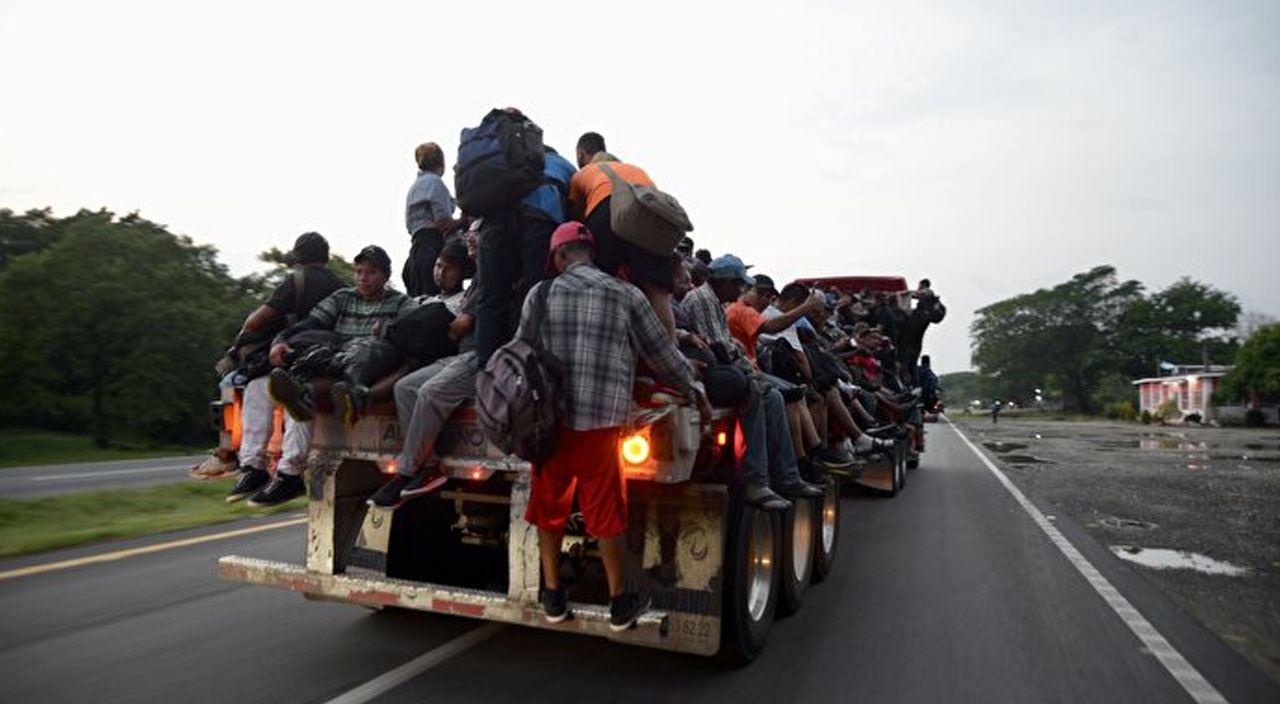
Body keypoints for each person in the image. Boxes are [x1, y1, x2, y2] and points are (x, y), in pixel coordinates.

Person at [521, 221, 711, 631]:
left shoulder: (540, 293)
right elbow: (663, 354)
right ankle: (619, 603)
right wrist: (694, 387)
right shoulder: (626, 295)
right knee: (604, 510)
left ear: (558, 257)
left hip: (549, 423)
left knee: (549, 506)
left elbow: (523, 351)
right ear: (591, 254)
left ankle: (553, 594)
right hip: (602, 423)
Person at [227, 245, 410, 507]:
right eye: (358, 272)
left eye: (370, 272)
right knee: (259, 385)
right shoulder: (342, 297)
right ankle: (252, 467)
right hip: (334, 356)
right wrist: (280, 342)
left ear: (384, 275)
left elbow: (413, 333)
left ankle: (290, 470)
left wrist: (388, 330)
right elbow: (309, 325)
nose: (362, 278)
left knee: (345, 364)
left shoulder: (400, 303)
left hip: (368, 360)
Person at [681, 254, 825, 504]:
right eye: (738, 283)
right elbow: (720, 350)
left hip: (724, 365)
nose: (740, 289)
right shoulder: (703, 299)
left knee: (775, 397)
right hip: (709, 369)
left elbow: (728, 345)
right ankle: (756, 481)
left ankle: (786, 477)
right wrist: (752, 374)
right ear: (724, 282)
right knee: (756, 392)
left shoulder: (716, 302)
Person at [212, 233, 346, 485]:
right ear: (326, 257)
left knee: (233, 381)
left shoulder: (295, 282)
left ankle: (231, 455)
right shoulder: (341, 286)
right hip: (326, 359)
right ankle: (287, 469)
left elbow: (253, 322)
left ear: (299, 258)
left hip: (292, 353)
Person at [367, 235, 481, 508]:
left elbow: (456, 331)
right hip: (453, 357)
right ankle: (428, 466)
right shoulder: (470, 284)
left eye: (478, 236)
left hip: (481, 356)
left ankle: (406, 471)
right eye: (439, 266)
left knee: (430, 392)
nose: (472, 240)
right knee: (404, 388)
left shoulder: (488, 282)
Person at [569, 132, 680, 340]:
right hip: (651, 213)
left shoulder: (583, 174)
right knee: (658, 292)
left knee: (600, 284)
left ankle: (600, 345)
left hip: (605, 207)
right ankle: (670, 355)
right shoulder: (636, 169)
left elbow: (575, 218)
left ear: (581, 154)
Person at [475, 142, 576, 367]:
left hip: (494, 220)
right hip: (539, 219)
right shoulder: (564, 165)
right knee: (533, 294)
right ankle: (523, 367)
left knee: (490, 297)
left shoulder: (506, 164)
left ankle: (486, 371)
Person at [403, 142, 462, 296]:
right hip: (432, 245)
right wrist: (463, 221)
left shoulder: (414, 187)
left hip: (416, 248)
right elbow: (443, 222)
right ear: (441, 162)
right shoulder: (435, 183)